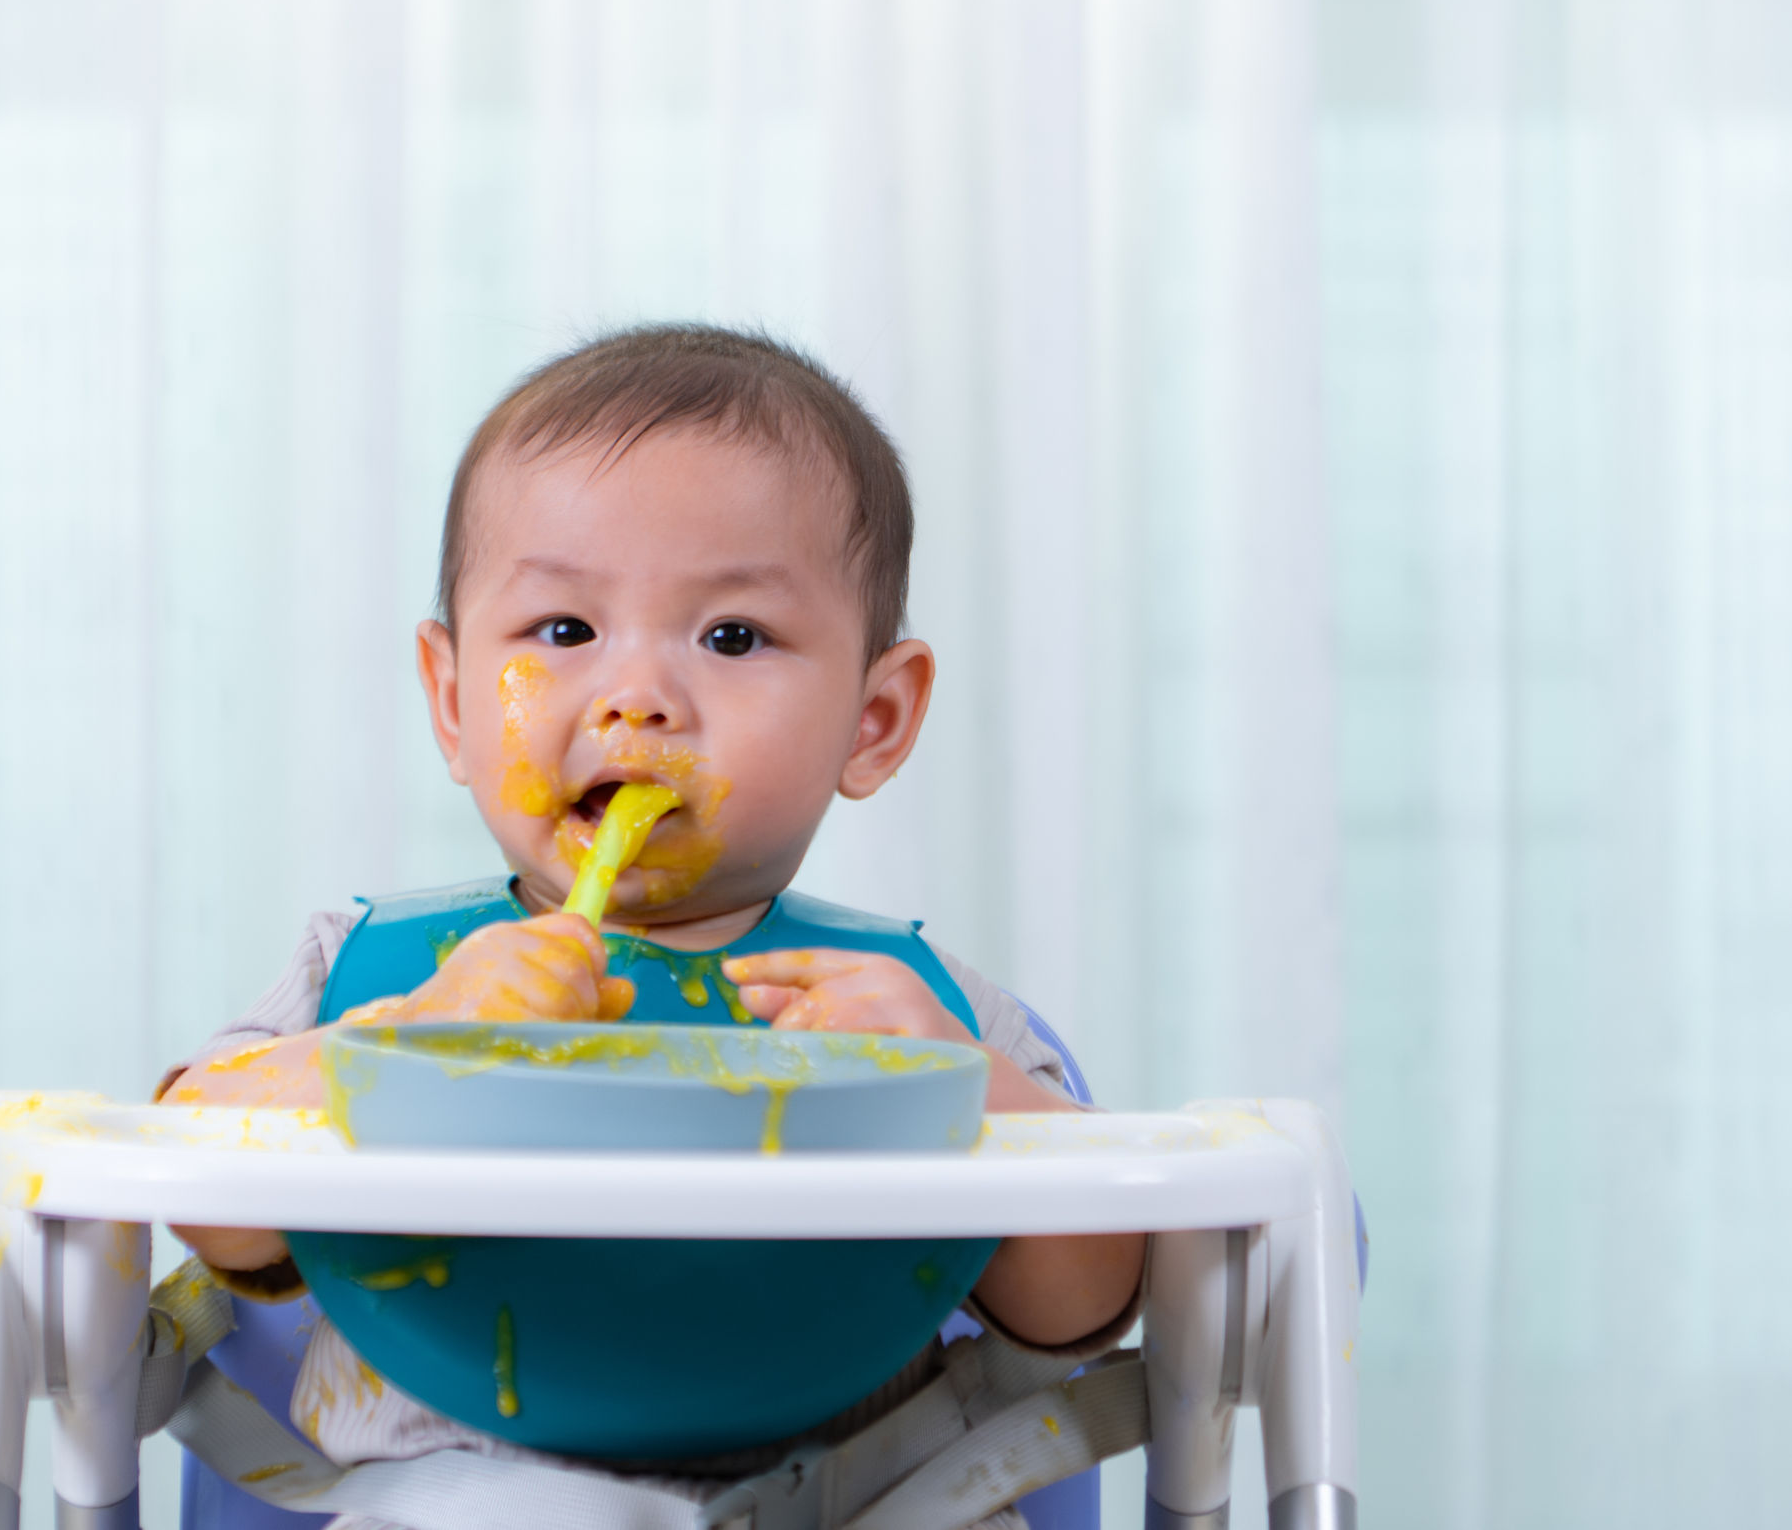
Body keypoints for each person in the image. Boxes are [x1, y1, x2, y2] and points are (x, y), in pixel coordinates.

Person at [154, 324, 1146, 1525]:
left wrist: (970, 1089)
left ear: (874, 719)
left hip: (862, 1495)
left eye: (732, 636)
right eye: (563, 631)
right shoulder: (366, 974)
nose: (637, 696)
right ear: (455, 698)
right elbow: (195, 1180)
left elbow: (1087, 1304)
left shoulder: (915, 1003)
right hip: (460, 1494)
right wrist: (413, 1032)